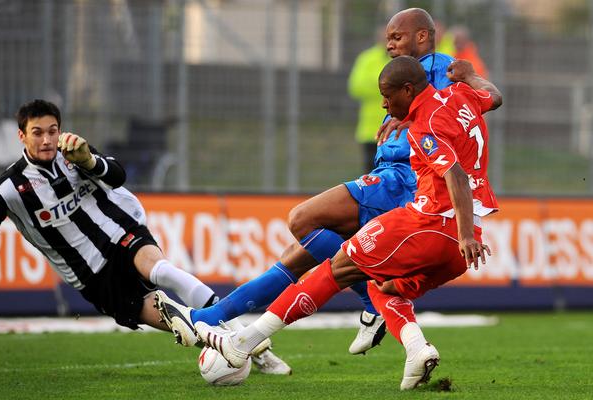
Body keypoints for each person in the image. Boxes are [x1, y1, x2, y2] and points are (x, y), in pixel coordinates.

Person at [158, 56, 502, 390]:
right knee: (383, 287)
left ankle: (241, 343)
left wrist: (465, 235)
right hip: (461, 244)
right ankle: (417, 350)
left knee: (334, 269)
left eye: (387, 96)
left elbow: (455, 174)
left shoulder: (426, 125)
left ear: (408, 90)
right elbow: (494, 96)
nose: (383, 105)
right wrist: (470, 75)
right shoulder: (460, 94)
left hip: (429, 224)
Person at [163, 8, 455, 357]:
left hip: (406, 179)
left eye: (397, 37)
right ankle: (208, 318)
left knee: (302, 220)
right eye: (388, 37)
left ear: (422, 36)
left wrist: (430, 108)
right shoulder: (400, 71)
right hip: (389, 171)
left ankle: (370, 299)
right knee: (300, 255)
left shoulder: (445, 69)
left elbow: (469, 106)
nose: (389, 44)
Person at [0, 99, 290, 375]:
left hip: (121, 231)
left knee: (162, 270)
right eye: (37, 133)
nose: (47, 140)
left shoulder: (74, 153)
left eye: (52, 131)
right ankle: (235, 345)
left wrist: (89, 161)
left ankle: (254, 344)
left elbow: (117, 176)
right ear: (22, 136)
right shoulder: (8, 188)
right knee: (181, 325)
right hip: (92, 275)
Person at [347, 24, 390, 173]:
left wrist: (376, 84)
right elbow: (356, 87)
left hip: (395, 129)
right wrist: (387, 86)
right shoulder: (367, 58)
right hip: (371, 130)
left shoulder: (402, 58)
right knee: (371, 175)